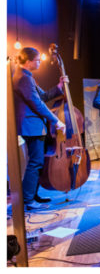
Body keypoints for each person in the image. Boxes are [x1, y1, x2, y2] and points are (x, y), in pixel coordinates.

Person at [12, 47, 68, 210]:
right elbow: (37, 103)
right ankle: (27, 201)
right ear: (28, 61)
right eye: (37, 60)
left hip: (34, 126)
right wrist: (56, 121)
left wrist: (59, 86)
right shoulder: (23, 78)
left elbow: (42, 97)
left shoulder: (27, 77)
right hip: (32, 126)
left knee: (37, 161)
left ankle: (32, 195)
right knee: (35, 162)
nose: (39, 63)